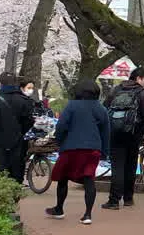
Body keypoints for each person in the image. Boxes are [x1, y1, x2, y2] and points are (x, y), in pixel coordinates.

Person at [46, 79, 110, 224]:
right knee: (89, 179)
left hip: (71, 147)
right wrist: (105, 152)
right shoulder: (101, 108)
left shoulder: (72, 105)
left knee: (63, 178)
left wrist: (59, 140)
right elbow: (106, 132)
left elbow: (61, 125)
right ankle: (87, 215)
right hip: (93, 149)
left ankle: (59, 209)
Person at [102, 67, 144, 210]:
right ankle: (128, 198)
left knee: (117, 166)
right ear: (138, 78)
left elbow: (105, 108)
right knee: (130, 166)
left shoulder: (116, 90)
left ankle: (113, 200)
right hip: (134, 134)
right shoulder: (142, 93)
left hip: (115, 133)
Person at [0, 72, 36, 184]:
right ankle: (15, 199)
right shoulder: (26, 102)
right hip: (19, 145)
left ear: (0, 84)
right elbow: (28, 125)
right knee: (16, 178)